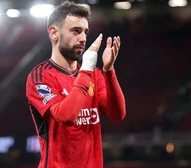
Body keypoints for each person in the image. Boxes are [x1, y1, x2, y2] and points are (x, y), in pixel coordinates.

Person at [26, 1, 126, 168]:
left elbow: (118, 113)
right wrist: (86, 69)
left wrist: (109, 70)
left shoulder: (94, 75)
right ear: (54, 33)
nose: (83, 38)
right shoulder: (40, 77)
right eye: (76, 31)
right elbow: (65, 116)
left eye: (85, 32)